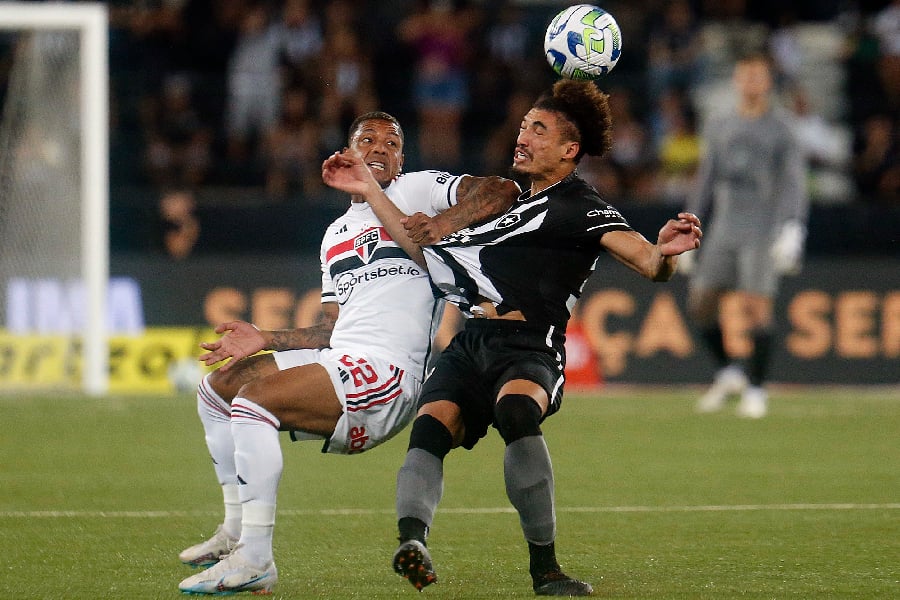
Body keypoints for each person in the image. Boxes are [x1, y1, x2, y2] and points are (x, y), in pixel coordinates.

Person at [322, 80, 702, 596]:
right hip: (472, 340)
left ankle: (546, 570)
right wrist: (370, 193)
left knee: (517, 410)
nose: (522, 136)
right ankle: (412, 542)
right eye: (523, 126)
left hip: (530, 345)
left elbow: (647, 262)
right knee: (431, 429)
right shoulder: (510, 204)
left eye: (538, 130)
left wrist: (666, 253)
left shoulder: (580, 205)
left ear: (569, 151)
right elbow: (424, 252)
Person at [177, 111, 519, 595]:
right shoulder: (335, 234)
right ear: (349, 151)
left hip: (387, 374)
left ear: (402, 159)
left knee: (254, 404)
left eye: (392, 143)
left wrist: (442, 226)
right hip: (341, 358)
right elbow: (330, 329)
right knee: (216, 390)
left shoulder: (419, 190)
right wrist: (265, 338)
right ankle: (235, 530)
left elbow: (502, 190)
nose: (380, 148)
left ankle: (257, 559)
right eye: (367, 140)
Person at [682, 52, 808, 419]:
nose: (752, 81)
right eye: (746, 74)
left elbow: (793, 182)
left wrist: (792, 227)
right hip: (725, 224)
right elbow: (705, 179)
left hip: (762, 226)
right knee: (701, 303)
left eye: (758, 75)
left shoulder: (782, 126)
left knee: (757, 309)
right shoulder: (721, 124)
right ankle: (729, 372)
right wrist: (691, 223)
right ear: (737, 79)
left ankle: (757, 388)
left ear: (768, 81)